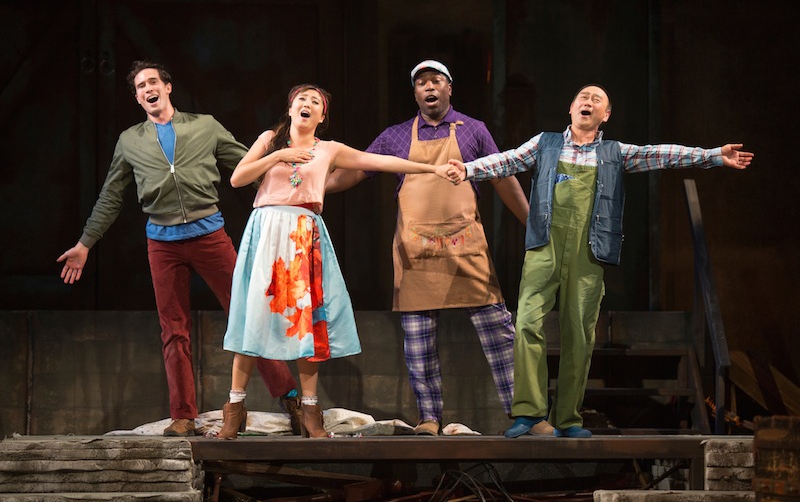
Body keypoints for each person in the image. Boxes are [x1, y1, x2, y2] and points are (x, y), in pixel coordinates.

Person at [446, 84, 754, 438]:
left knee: (579, 332)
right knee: (528, 323)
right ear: (571, 108)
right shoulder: (544, 144)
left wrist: (713, 155)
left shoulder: (614, 152)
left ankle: (568, 419)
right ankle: (529, 413)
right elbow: (507, 159)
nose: (588, 102)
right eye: (582, 97)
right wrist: (467, 170)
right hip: (544, 247)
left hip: (588, 251)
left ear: (605, 115)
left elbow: (664, 154)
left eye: (597, 100)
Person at [57, 60, 302, 437]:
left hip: (210, 237)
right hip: (163, 244)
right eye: (140, 87)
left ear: (167, 87)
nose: (147, 89)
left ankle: (290, 398)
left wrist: (292, 199)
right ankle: (183, 415)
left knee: (249, 315)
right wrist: (85, 244)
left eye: (152, 82)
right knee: (174, 330)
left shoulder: (204, 126)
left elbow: (249, 168)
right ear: (138, 98)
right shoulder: (130, 140)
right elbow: (111, 196)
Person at [216, 83, 453, 439]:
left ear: (322, 116)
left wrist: (430, 169)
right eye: (302, 99)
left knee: (307, 325)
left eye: (316, 102)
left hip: (303, 234)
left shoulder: (328, 149)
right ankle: (234, 411)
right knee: (254, 319)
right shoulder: (270, 139)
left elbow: (379, 161)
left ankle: (312, 414)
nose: (308, 104)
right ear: (291, 107)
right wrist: (277, 157)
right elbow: (237, 178)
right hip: (266, 232)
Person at [326, 60, 538, 437]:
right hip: (415, 251)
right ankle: (429, 418)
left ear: (449, 88)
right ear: (415, 93)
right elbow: (355, 171)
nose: (429, 87)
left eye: (436, 80)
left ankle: (528, 415)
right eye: (421, 82)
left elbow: (504, 179)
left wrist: (533, 225)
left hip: (465, 248)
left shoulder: (473, 130)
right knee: (419, 344)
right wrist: (305, 185)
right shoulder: (394, 136)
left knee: (500, 334)